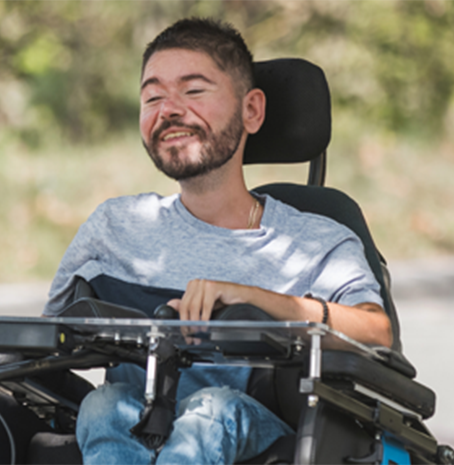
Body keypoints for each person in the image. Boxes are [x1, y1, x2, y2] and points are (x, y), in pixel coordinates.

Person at [44, 18, 394, 464]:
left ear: (252, 111)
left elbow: (377, 332)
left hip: (263, 435)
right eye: (152, 97)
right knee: (103, 404)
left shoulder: (317, 238)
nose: (169, 110)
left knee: (213, 412)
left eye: (193, 90)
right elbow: (44, 344)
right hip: (137, 425)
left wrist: (255, 298)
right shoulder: (114, 226)